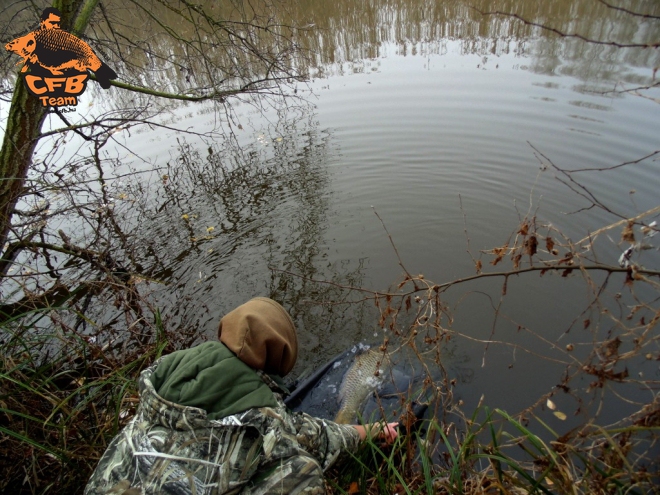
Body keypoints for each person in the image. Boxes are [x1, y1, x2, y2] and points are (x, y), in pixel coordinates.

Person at [85, 297, 398, 494]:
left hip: (107, 485)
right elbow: (314, 438)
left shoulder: (163, 376)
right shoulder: (265, 418)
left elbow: (311, 432)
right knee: (300, 468)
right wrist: (374, 431)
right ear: (280, 357)